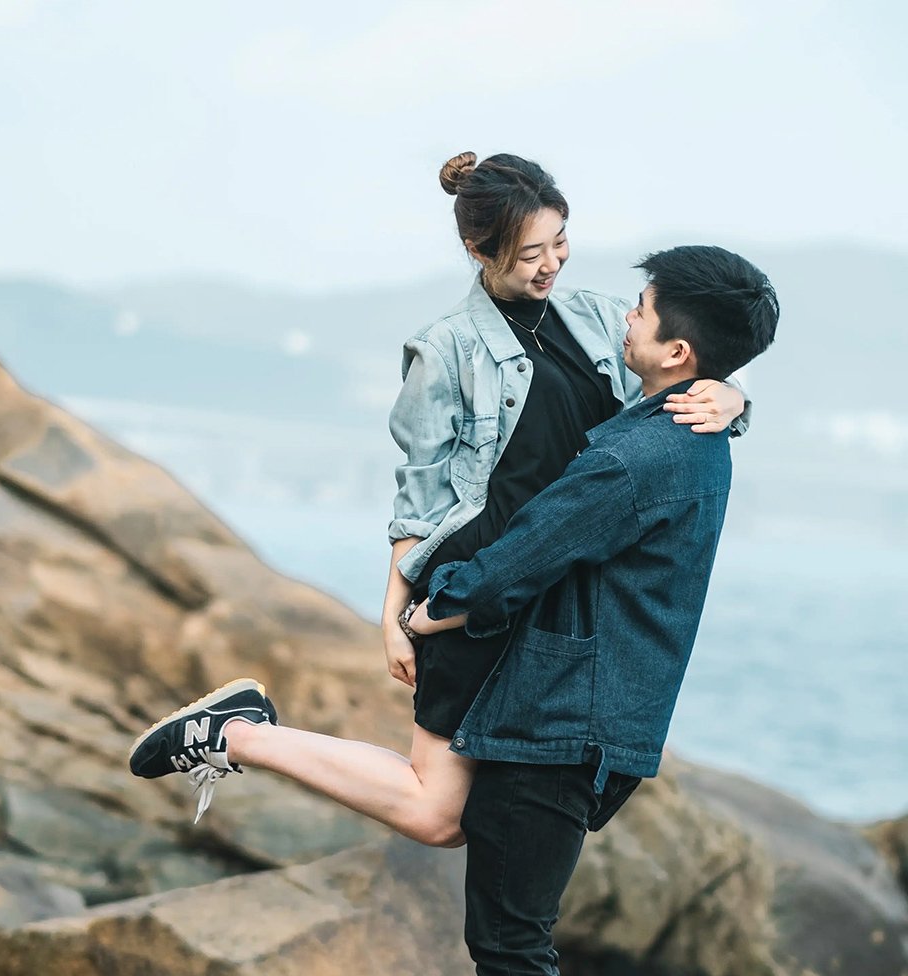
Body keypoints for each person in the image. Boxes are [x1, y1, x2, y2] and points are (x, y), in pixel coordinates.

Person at [127, 153, 748, 840]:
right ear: (477, 250)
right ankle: (238, 735)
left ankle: (238, 732)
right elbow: (420, 496)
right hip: (473, 583)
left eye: (560, 243)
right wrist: (394, 613)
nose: (550, 265)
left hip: (546, 591)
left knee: (455, 813)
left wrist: (732, 393)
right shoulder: (444, 349)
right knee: (437, 812)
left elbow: (677, 378)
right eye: (527, 254)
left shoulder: (604, 320)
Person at [405, 244, 780, 976]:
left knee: (511, 940)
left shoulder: (637, 453)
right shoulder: (689, 433)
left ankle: (236, 738)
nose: (626, 315)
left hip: (562, 722)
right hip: (600, 719)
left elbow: (533, 547)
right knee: (510, 930)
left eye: (640, 310)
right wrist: (736, 395)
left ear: (678, 352)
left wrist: (435, 604)